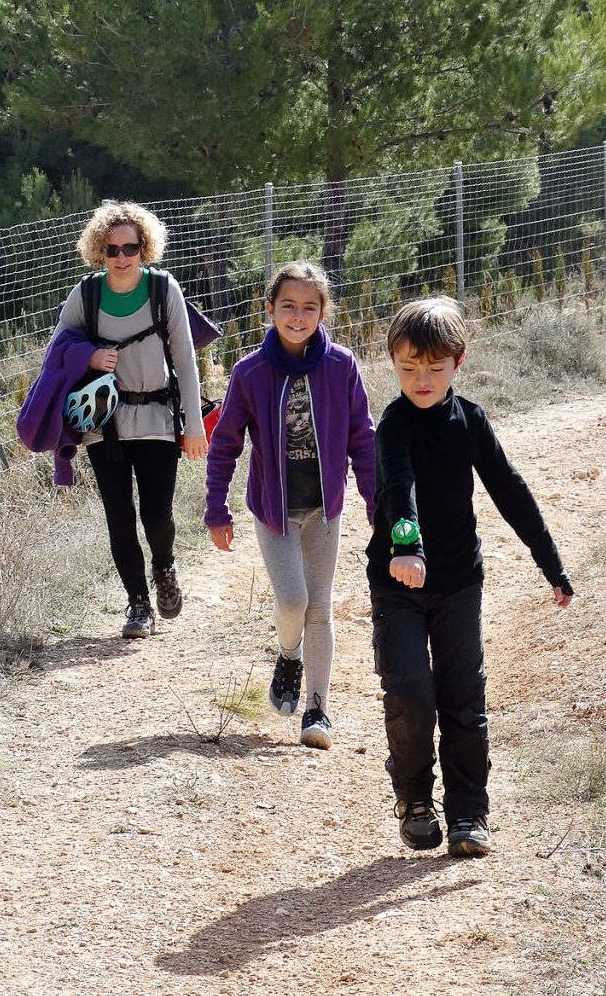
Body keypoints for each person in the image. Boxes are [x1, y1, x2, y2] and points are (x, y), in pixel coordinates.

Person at [367, 296, 573, 857]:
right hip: (398, 584)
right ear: (393, 362)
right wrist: (406, 547)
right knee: (411, 693)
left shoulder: (471, 420)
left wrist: (549, 562)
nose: (422, 378)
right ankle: (413, 797)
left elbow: (508, 489)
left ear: (459, 361)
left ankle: (469, 813)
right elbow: (399, 487)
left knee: (463, 695)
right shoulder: (393, 425)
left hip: (458, 583)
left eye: (435, 367)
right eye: (409, 367)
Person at [205, 262, 376, 750]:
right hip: (273, 509)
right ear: (270, 309)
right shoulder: (250, 372)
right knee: (293, 601)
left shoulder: (341, 365)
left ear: (323, 312)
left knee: (320, 606)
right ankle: (288, 654)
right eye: (288, 306)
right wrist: (217, 509)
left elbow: (362, 437)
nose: (298, 316)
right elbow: (225, 444)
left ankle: (317, 710)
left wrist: (375, 502)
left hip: (324, 507)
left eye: (309, 307)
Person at [51, 203, 207, 640]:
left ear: (144, 248)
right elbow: (58, 350)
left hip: (157, 419)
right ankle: (138, 604)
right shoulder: (87, 295)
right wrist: (90, 356)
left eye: (130, 248)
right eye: (112, 248)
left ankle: (164, 567)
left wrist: (193, 426)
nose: (122, 257)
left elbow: (185, 360)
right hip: (106, 426)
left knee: (156, 517)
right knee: (119, 518)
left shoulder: (163, 289)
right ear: (100, 251)